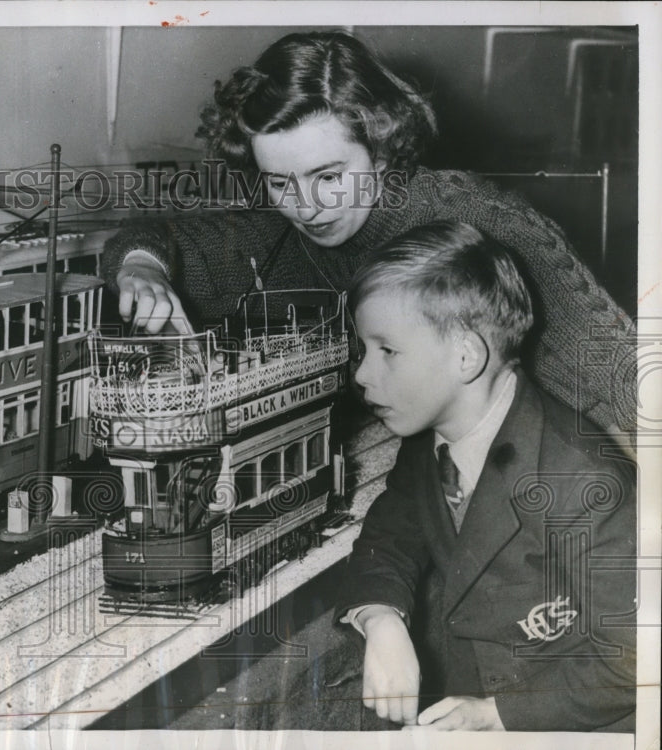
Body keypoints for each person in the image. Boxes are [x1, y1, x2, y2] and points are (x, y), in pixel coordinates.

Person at [101, 30, 635, 436]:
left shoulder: (479, 219)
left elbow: (620, 374)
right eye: (279, 183)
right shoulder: (291, 235)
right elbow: (157, 238)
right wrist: (141, 268)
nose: (307, 208)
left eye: (328, 177)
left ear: (382, 151)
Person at [335, 221, 636, 731]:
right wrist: (380, 617)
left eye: (386, 350)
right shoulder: (428, 438)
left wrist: (499, 715)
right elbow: (388, 538)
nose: (362, 373)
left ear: (466, 357)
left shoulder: (582, 480)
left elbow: (636, 655)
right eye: (364, 350)